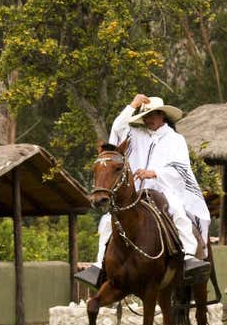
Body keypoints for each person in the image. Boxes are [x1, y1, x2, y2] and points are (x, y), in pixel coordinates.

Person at [75, 94, 211, 287]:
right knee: (109, 220)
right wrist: (132, 105)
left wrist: (154, 173)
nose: (147, 119)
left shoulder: (176, 140)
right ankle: (99, 264)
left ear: (162, 115)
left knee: (177, 211)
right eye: (145, 116)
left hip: (165, 189)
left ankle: (189, 257)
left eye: (151, 115)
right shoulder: (137, 136)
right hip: (138, 192)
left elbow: (181, 169)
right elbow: (118, 129)